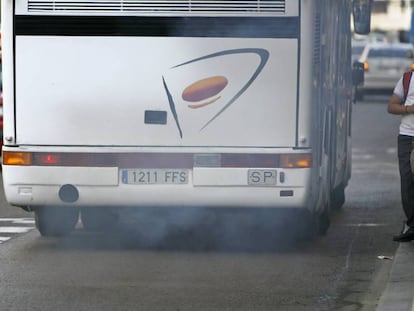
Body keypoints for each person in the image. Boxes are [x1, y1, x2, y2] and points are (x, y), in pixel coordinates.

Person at [387, 72, 414, 242]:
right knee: (408, 182)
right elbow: (391, 106)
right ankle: (412, 225)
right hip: (407, 137)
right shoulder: (407, 79)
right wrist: (409, 109)